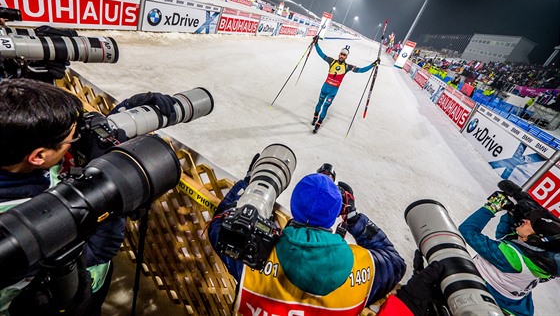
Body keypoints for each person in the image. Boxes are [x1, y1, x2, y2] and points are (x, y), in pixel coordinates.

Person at [0, 78, 177, 315]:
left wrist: (124, 113)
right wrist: (109, 183)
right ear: (38, 155)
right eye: (71, 139)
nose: (75, 141)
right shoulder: (23, 218)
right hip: (64, 297)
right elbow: (98, 251)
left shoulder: (16, 153)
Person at [209, 171, 406, 315]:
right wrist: (353, 218)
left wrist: (248, 182)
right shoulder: (362, 268)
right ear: (334, 214)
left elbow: (217, 225)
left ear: (294, 206)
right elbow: (395, 262)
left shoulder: (256, 253)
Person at [458, 181, 560, 316]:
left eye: (531, 223)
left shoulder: (510, 256)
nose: (526, 220)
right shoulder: (544, 256)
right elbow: (504, 236)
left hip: (489, 303)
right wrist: (512, 213)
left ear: (535, 239)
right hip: (515, 307)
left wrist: (491, 207)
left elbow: (468, 230)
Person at [311, 36, 381, 133]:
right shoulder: (332, 61)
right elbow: (321, 54)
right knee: (319, 103)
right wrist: (316, 43)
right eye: (341, 54)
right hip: (325, 87)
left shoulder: (347, 67)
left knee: (325, 107)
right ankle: (315, 117)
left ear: (346, 57)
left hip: (333, 91)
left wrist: (373, 64)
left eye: (344, 55)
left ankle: (319, 123)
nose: (342, 56)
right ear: (339, 54)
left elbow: (361, 70)